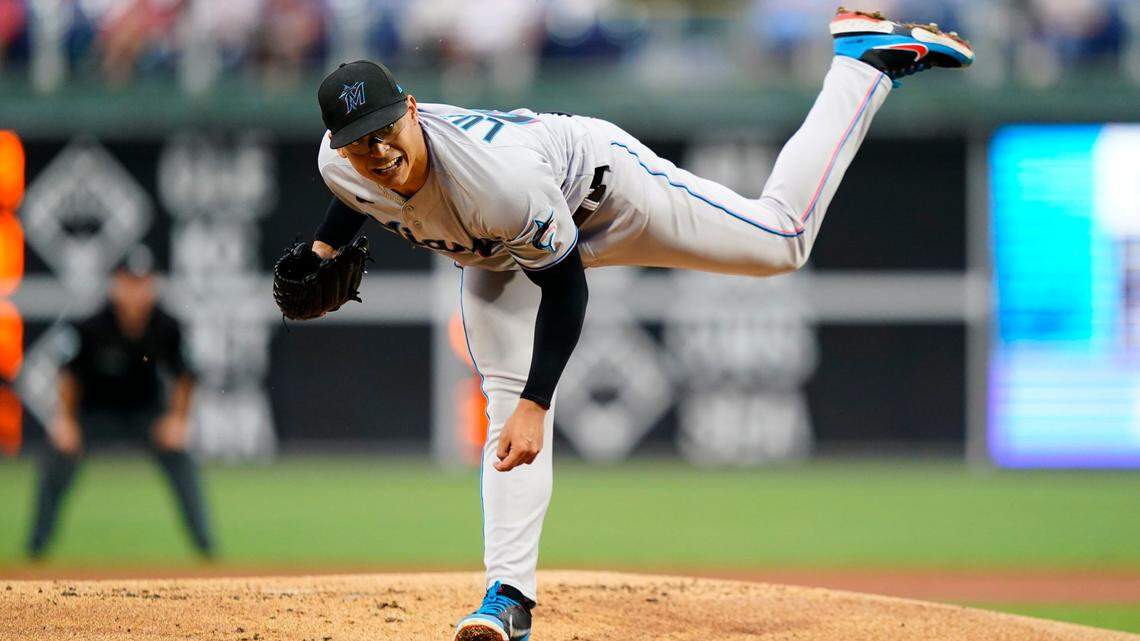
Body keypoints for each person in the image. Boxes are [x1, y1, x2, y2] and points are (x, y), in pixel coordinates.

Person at [306, 8, 972, 641]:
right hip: (501, 249)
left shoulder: (496, 179)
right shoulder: (340, 165)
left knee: (783, 240)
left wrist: (540, 402)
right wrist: (321, 252)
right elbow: (358, 193)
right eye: (360, 142)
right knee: (503, 410)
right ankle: (508, 598)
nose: (378, 149)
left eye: (386, 129)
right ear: (339, 145)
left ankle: (860, 64)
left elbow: (565, 286)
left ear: (411, 109)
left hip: (607, 198)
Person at [27, 246, 214, 559]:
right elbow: (68, 376)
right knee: (58, 458)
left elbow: (186, 376)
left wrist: (178, 421)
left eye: (143, 283)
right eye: (129, 282)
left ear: (153, 284)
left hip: (145, 415)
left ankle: (207, 551)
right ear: (116, 283)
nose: (136, 292)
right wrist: (65, 421)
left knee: (180, 458)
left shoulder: (166, 325)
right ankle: (35, 551)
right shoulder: (91, 325)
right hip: (93, 414)